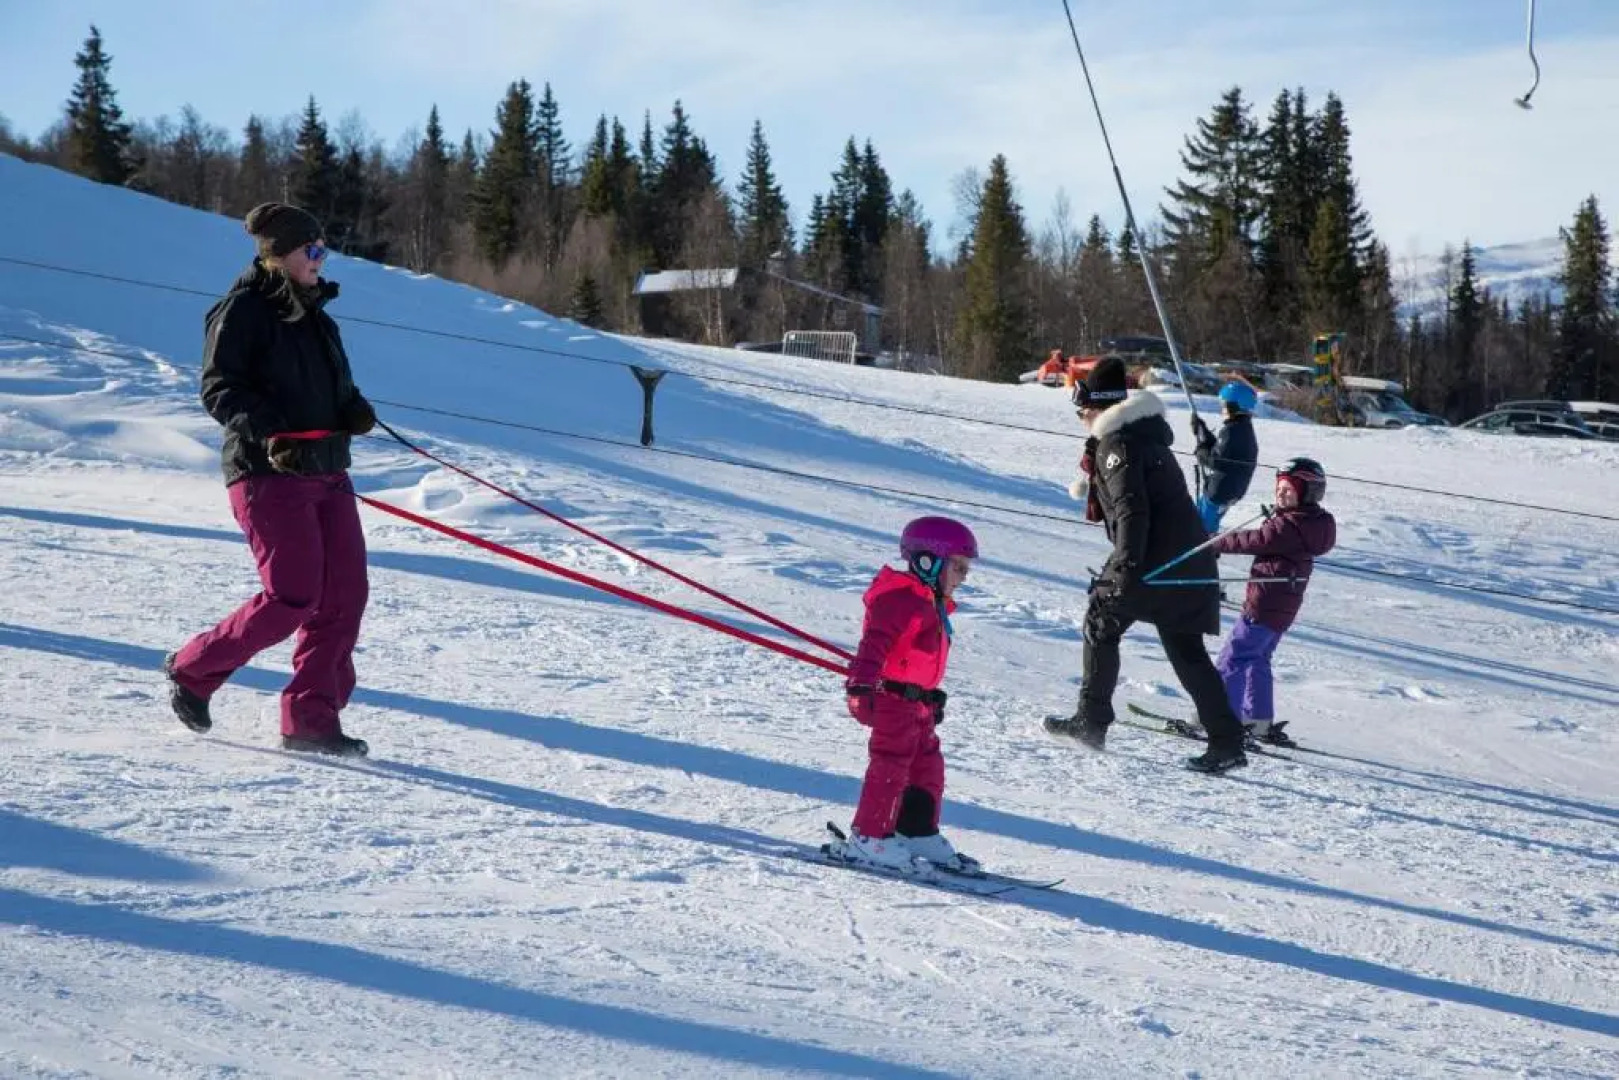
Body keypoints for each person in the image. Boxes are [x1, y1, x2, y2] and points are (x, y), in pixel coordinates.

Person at [162, 202, 378, 757]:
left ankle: (311, 719)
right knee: (294, 596)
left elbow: (332, 388)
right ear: (281, 255)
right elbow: (220, 388)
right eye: (312, 250)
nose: (320, 259)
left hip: (328, 472)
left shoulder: (317, 318)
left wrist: (352, 408)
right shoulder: (242, 311)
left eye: (322, 249)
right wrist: (271, 434)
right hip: (267, 472)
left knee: (344, 597)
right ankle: (194, 668)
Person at [1044, 357, 1248, 774]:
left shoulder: (1117, 444)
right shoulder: (1142, 435)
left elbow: (1131, 510)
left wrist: (1124, 568)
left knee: (1101, 622)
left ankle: (1092, 721)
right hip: (1185, 561)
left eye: (1081, 411)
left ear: (1095, 409)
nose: (1080, 420)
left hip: (1155, 563)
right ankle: (1227, 742)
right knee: (1187, 651)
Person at [832, 516, 980, 873]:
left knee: (927, 767)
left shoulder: (930, 602)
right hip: (892, 701)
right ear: (928, 561)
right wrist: (862, 683)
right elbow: (874, 645)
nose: (964, 577)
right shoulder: (900, 598)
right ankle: (869, 837)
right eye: (958, 567)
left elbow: (917, 659)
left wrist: (930, 696)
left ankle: (915, 830)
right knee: (891, 765)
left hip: (917, 704)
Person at [1214, 457, 1337, 746]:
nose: (1281, 495)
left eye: (1289, 490)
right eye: (1279, 489)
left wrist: (1213, 543)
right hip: (1282, 608)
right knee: (1257, 659)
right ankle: (1257, 721)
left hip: (1264, 603)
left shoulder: (1288, 527)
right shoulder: (1312, 523)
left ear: (1307, 494)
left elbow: (1251, 540)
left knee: (1233, 658)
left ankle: (1218, 719)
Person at [1192, 380, 1260, 535]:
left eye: (1224, 405)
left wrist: (1201, 451)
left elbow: (1216, 461)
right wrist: (1203, 433)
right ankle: (1205, 545)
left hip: (1220, 491)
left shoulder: (1232, 431)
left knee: (1201, 528)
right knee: (1201, 521)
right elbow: (1223, 451)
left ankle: (1202, 551)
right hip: (1230, 489)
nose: (1222, 409)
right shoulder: (1241, 428)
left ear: (1234, 406)